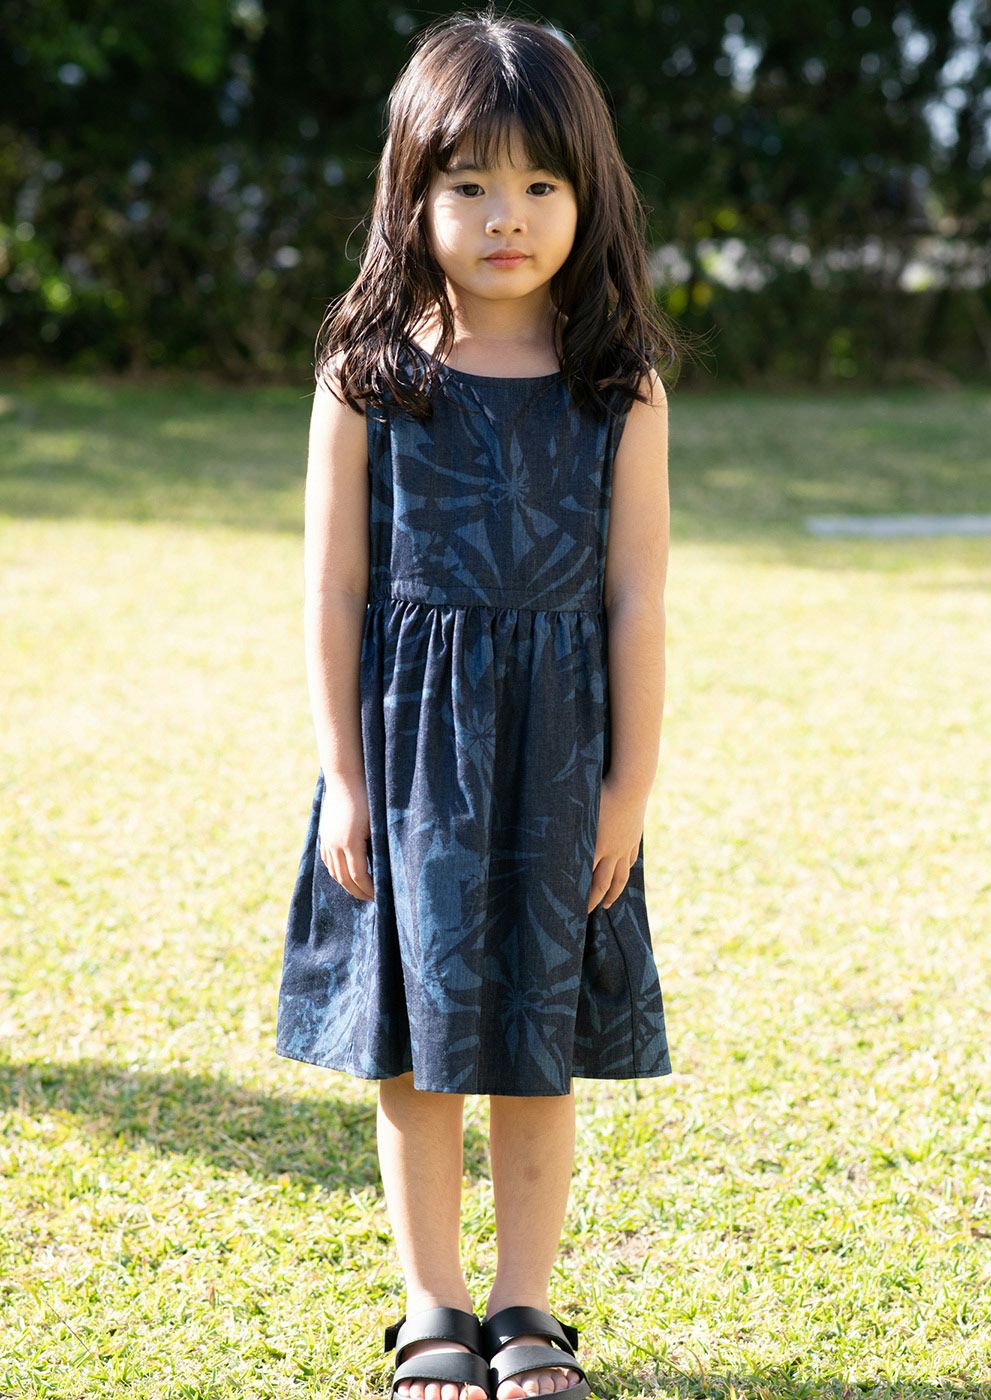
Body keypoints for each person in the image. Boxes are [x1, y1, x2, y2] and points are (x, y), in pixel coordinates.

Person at [275, 8, 691, 1398]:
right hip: (410, 761)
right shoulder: (368, 375)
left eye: (539, 182)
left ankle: (525, 1305)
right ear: (414, 191)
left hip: (561, 758)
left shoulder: (618, 384)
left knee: (535, 1043)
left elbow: (638, 597)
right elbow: (334, 586)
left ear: (590, 193)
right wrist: (344, 775)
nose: (506, 215)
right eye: (470, 183)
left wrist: (628, 790)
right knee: (422, 1047)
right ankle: (432, 1306)